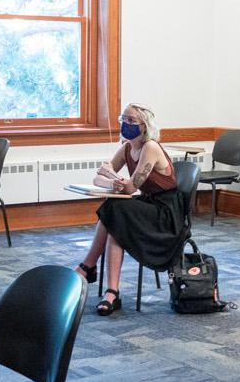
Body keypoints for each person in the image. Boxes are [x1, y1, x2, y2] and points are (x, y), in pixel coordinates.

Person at [74, 103, 184, 316]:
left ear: (144, 126)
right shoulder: (126, 147)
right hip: (147, 204)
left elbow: (131, 187)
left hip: (165, 213)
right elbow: (98, 177)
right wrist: (112, 183)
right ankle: (111, 291)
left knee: (116, 208)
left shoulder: (150, 147)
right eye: (123, 118)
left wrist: (113, 178)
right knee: (116, 213)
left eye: (132, 120)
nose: (126, 123)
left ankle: (88, 267)